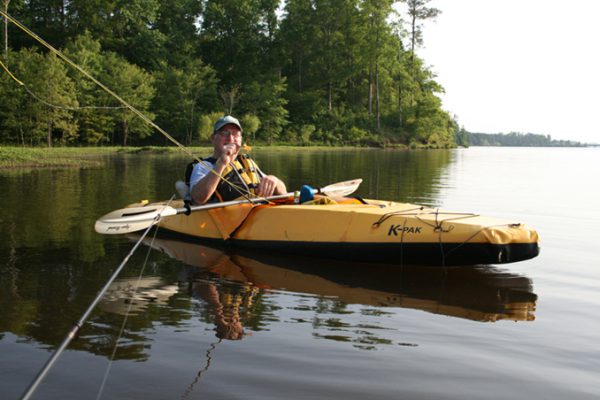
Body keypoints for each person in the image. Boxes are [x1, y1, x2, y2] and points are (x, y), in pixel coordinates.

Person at [189, 115, 287, 204]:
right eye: (225, 133)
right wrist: (221, 163)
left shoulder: (245, 163)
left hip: (257, 215)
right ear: (213, 139)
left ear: (240, 139)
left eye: (235, 134)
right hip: (228, 221)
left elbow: (283, 192)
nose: (231, 138)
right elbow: (198, 198)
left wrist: (275, 180)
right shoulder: (203, 166)